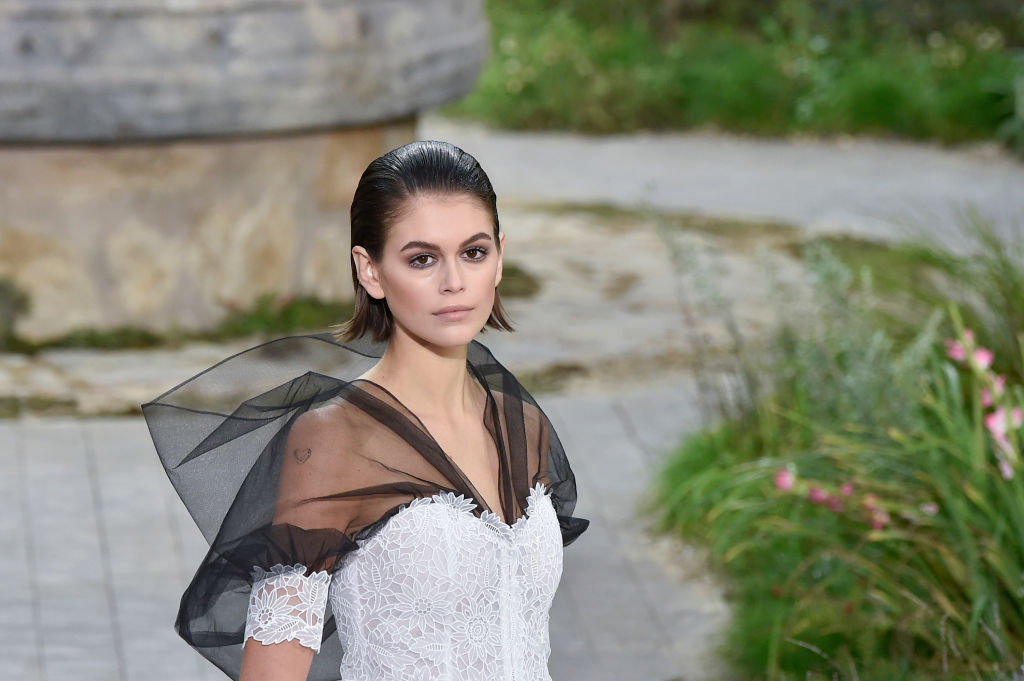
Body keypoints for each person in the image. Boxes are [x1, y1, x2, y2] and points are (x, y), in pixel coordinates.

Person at [143, 140, 589, 681]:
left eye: (473, 253)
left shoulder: (523, 424)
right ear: (370, 271)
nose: (454, 281)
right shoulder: (333, 440)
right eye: (421, 259)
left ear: (499, 257)